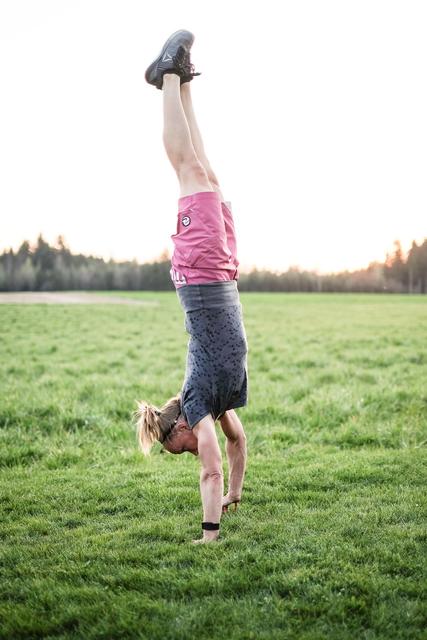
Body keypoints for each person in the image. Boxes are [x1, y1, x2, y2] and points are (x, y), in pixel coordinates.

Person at [134, 30, 248, 544]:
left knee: (186, 170)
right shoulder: (219, 403)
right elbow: (237, 447)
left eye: (178, 447)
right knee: (206, 174)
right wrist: (236, 496)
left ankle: (169, 76)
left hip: (203, 279)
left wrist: (209, 532)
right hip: (221, 275)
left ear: (178, 429)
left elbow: (210, 468)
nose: (192, 450)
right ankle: (183, 81)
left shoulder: (198, 400)